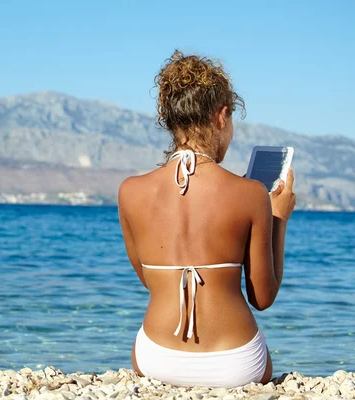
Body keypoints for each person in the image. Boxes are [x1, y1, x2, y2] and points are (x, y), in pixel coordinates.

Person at [117, 50, 296, 388]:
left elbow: (151, 282)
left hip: (156, 357)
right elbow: (263, 298)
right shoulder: (252, 193)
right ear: (221, 116)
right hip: (237, 364)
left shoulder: (129, 191)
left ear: (170, 120)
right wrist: (278, 218)